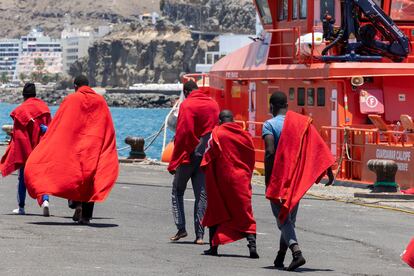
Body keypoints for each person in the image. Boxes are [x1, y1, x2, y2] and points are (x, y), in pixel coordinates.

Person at [24, 75, 119, 225]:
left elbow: (59, 126)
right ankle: (86, 216)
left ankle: (76, 205)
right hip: (94, 148)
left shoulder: (71, 100)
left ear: (75, 86)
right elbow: (108, 127)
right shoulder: (101, 101)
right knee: (90, 180)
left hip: (75, 148)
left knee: (73, 177)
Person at [262, 92, 335, 271]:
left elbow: (270, 152)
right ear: (287, 105)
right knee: (288, 220)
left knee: (282, 220)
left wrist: (268, 179)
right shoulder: (301, 123)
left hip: (280, 179)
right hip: (296, 179)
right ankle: (280, 257)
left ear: (272, 107)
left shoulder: (269, 125)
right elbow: (318, 146)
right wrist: (329, 171)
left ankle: (296, 253)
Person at [201, 110, 259, 258]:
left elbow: (208, 156)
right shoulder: (245, 135)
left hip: (223, 178)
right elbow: (251, 156)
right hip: (242, 179)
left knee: (216, 208)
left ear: (220, 121)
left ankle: (213, 247)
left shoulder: (217, 133)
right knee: (244, 212)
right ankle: (252, 245)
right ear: (233, 120)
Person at [168, 80, 220, 244]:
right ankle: (200, 235)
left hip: (188, 156)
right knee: (201, 195)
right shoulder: (213, 104)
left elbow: (184, 133)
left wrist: (174, 161)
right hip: (205, 155)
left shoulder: (186, 105)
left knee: (177, 191)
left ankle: (181, 228)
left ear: (186, 91)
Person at [0, 83, 51, 216]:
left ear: (23, 96)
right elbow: (50, 129)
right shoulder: (44, 108)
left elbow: (19, 136)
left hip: (27, 151)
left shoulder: (20, 110)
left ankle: (21, 207)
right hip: (41, 149)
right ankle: (45, 201)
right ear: (35, 95)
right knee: (42, 177)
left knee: (22, 178)